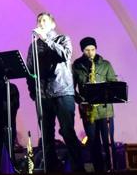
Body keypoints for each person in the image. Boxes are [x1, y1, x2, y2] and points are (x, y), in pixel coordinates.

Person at [26, 13, 84, 172]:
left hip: (62, 91)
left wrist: (46, 40)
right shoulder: (34, 45)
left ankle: (78, 168)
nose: (41, 23)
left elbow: (65, 55)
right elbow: (30, 71)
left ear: (52, 24)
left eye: (44, 20)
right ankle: (50, 168)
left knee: (67, 131)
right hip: (43, 95)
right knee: (46, 136)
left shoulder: (63, 39)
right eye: (39, 21)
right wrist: (33, 91)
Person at [73, 37, 117, 172]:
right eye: (87, 50)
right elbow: (71, 87)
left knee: (108, 142)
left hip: (105, 111)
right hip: (88, 110)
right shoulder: (77, 65)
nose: (90, 53)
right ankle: (99, 169)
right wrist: (79, 99)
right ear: (82, 51)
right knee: (93, 143)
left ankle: (111, 167)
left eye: (93, 49)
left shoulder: (106, 64)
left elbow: (113, 83)